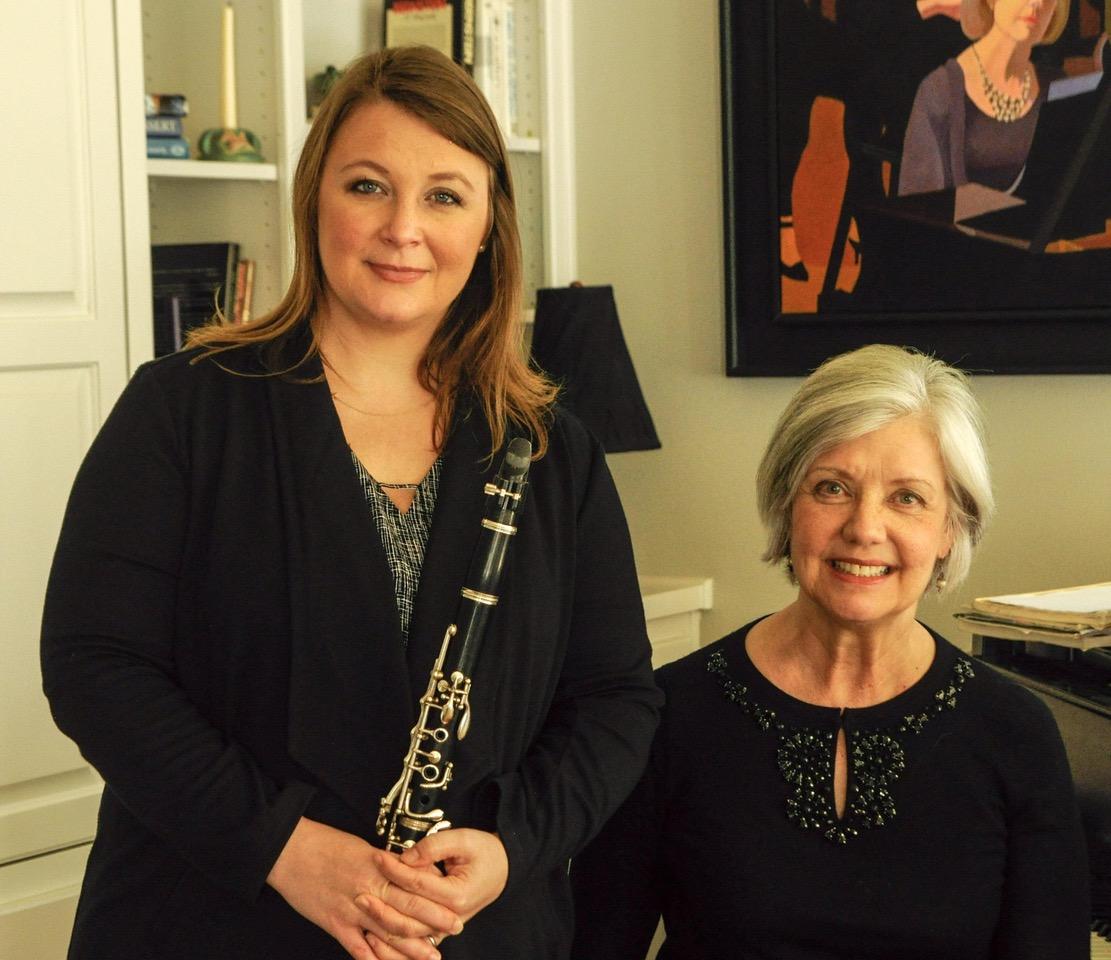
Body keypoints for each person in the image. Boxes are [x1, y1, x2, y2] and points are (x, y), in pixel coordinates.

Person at [41, 46, 661, 960]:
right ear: (314, 199)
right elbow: (96, 664)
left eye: (445, 195)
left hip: (468, 933)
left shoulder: (551, 450)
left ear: (489, 224)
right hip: (211, 923)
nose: (403, 229)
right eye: (368, 186)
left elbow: (614, 701)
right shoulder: (184, 406)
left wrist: (509, 848)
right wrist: (283, 849)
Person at [571, 344, 1090, 959]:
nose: (865, 528)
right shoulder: (667, 713)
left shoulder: (1014, 731)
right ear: (787, 504)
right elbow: (597, 947)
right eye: (832, 488)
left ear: (952, 527)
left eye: (908, 498)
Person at [898, 0, 1069, 195]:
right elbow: (920, 204)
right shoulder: (941, 89)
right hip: (950, 224)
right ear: (990, 2)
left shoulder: (1058, 86)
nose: (1037, 2)